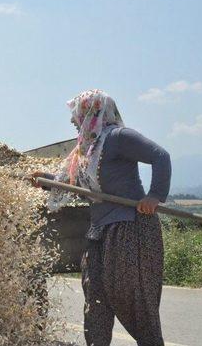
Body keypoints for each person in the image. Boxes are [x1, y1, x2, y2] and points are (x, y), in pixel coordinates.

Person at [31, 89, 171, 346]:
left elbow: (160, 156)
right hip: (99, 231)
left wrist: (155, 196)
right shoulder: (86, 150)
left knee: (132, 297)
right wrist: (46, 180)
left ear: (92, 113)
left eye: (77, 114)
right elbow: (74, 184)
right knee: (95, 296)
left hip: (130, 228)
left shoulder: (119, 137)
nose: (73, 120)